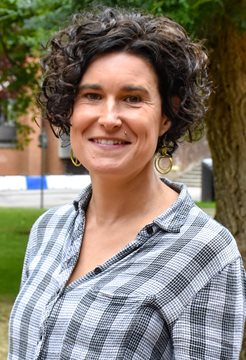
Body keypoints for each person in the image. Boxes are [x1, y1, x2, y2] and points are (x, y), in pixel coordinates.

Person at [8, 7, 245, 360]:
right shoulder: (49, 230)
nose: (109, 118)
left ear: (167, 114)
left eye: (132, 98)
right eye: (91, 96)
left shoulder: (206, 253)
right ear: (70, 110)